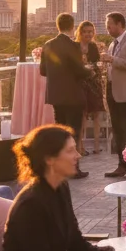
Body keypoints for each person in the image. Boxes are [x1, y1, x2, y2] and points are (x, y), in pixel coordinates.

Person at [39, 13, 91, 179]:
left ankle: (60, 167)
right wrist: (89, 70)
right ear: (72, 26)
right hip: (73, 95)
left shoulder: (48, 45)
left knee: (60, 132)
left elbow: (42, 71)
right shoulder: (73, 46)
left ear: (57, 26)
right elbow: (79, 71)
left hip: (56, 95)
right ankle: (74, 168)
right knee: (73, 133)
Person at [100, 12, 126, 178]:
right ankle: (122, 164)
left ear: (119, 24)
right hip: (112, 92)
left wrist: (112, 60)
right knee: (117, 130)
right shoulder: (112, 44)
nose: (108, 29)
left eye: (110, 25)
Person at [76, 20, 106, 155]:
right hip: (81, 85)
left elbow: (97, 64)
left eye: (90, 32)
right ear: (80, 32)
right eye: (85, 32)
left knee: (96, 115)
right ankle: (80, 147)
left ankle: (96, 145)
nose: (88, 34)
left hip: (94, 84)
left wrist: (92, 68)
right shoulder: (74, 46)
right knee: (81, 116)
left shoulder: (94, 46)